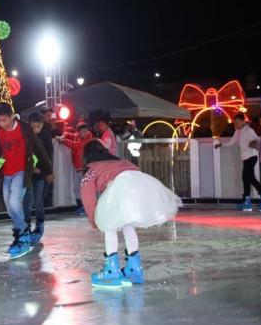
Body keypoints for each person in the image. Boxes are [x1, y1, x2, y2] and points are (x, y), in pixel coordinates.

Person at [80, 140, 182, 288]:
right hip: (139, 183)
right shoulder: (122, 161)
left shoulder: (91, 168)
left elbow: (87, 194)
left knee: (109, 225)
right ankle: (134, 268)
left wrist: (94, 219)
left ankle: (111, 271)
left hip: (121, 185)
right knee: (127, 223)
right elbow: (135, 174)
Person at [0, 102, 53, 258]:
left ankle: (23, 236)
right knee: (9, 207)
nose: (2, 124)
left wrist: (48, 171)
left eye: (4, 120)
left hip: (22, 171)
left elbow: (39, 149)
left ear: (12, 116)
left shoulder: (25, 129)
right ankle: (23, 233)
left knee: (15, 202)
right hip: (6, 173)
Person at [216, 113, 261, 211]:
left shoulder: (248, 130)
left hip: (252, 156)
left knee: (246, 177)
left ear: (243, 122)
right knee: (250, 178)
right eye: (235, 123)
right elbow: (232, 142)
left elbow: (258, 139)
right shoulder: (237, 131)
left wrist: (254, 142)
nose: (236, 125)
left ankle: (249, 200)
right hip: (245, 158)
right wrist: (221, 144)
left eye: (237, 123)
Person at [23, 112, 54, 243]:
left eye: (38, 126)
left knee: (39, 200)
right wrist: (31, 168)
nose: (36, 129)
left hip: (40, 174)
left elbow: (48, 155)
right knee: (28, 200)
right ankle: (26, 226)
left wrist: (46, 171)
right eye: (33, 126)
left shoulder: (45, 136)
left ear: (42, 124)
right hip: (28, 173)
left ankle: (40, 225)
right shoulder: (25, 135)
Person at [59, 123, 95, 215]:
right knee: (76, 187)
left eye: (86, 131)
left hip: (86, 167)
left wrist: (63, 140)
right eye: (83, 131)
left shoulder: (89, 138)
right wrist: (64, 135)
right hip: (78, 166)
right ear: (78, 132)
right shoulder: (76, 135)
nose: (85, 133)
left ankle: (87, 206)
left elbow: (77, 146)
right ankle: (81, 206)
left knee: (85, 187)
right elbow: (69, 134)